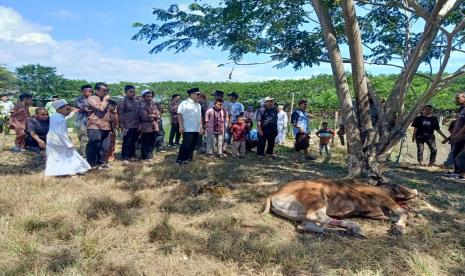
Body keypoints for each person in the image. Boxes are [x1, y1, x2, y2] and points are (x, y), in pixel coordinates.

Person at [45, 100, 91, 176]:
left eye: (69, 110)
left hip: (51, 140)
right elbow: (61, 133)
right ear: (59, 109)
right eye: (67, 110)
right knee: (71, 156)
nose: (69, 111)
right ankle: (76, 170)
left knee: (54, 158)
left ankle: (54, 172)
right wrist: (69, 143)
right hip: (60, 142)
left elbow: (66, 118)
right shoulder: (61, 120)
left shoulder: (54, 116)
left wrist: (72, 113)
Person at [86, 82, 111, 168]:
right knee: (94, 145)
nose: (106, 92)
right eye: (104, 90)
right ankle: (91, 163)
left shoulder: (106, 100)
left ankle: (102, 162)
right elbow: (100, 108)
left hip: (106, 126)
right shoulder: (91, 98)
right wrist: (105, 101)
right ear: (96, 90)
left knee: (105, 146)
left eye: (107, 90)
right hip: (94, 125)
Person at [176, 87, 202, 165]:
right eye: (197, 94)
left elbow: (200, 116)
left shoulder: (198, 105)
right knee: (186, 144)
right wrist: (180, 126)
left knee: (193, 144)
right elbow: (179, 114)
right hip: (187, 127)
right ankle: (180, 159)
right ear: (192, 94)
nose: (199, 96)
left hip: (196, 128)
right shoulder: (184, 103)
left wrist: (201, 127)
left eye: (199, 94)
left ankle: (188, 158)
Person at [117, 85, 140, 162]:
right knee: (127, 142)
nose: (133, 93)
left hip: (136, 125)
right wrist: (122, 126)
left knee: (134, 142)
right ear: (126, 92)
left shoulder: (136, 102)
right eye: (131, 92)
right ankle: (125, 157)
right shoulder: (122, 101)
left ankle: (132, 155)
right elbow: (120, 115)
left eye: (134, 92)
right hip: (127, 125)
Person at [138, 89, 161, 162]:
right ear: (144, 97)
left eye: (151, 96)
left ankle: (150, 155)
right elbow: (144, 116)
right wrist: (155, 116)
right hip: (146, 126)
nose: (150, 98)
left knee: (152, 141)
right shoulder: (141, 105)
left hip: (154, 125)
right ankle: (145, 156)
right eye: (148, 96)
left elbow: (159, 114)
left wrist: (153, 115)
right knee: (146, 141)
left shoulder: (153, 104)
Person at [447, 92, 465, 178]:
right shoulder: (462, 108)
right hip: (458, 136)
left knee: (460, 155)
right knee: (455, 153)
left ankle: (462, 173)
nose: (456, 99)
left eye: (458, 98)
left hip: (462, 136)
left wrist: (460, 134)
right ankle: (457, 172)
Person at [75, 85, 93, 157]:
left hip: (92, 123)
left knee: (91, 140)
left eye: (90, 91)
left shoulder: (94, 99)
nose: (89, 93)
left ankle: (90, 154)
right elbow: (87, 109)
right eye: (86, 91)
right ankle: (84, 156)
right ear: (82, 92)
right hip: (82, 122)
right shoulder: (79, 99)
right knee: (84, 139)